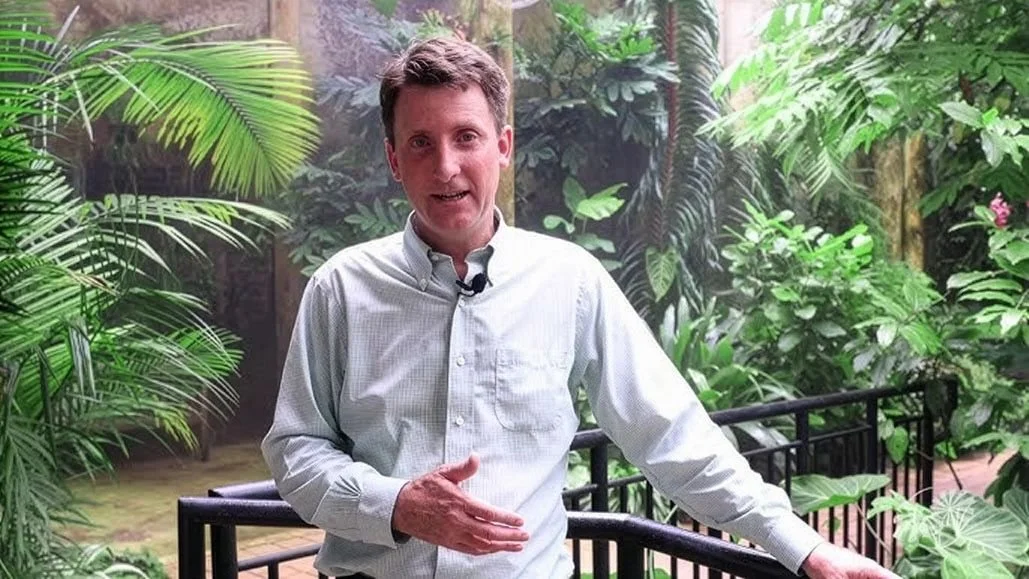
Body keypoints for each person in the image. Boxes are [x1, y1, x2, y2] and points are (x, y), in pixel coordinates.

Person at [262, 35, 900, 579]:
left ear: (503, 146)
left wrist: (803, 546)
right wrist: (396, 504)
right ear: (394, 159)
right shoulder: (341, 290)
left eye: (467, 137)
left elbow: (671, 434)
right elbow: (296, 450)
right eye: (422, 143)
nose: (447, 165)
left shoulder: (569, 282)